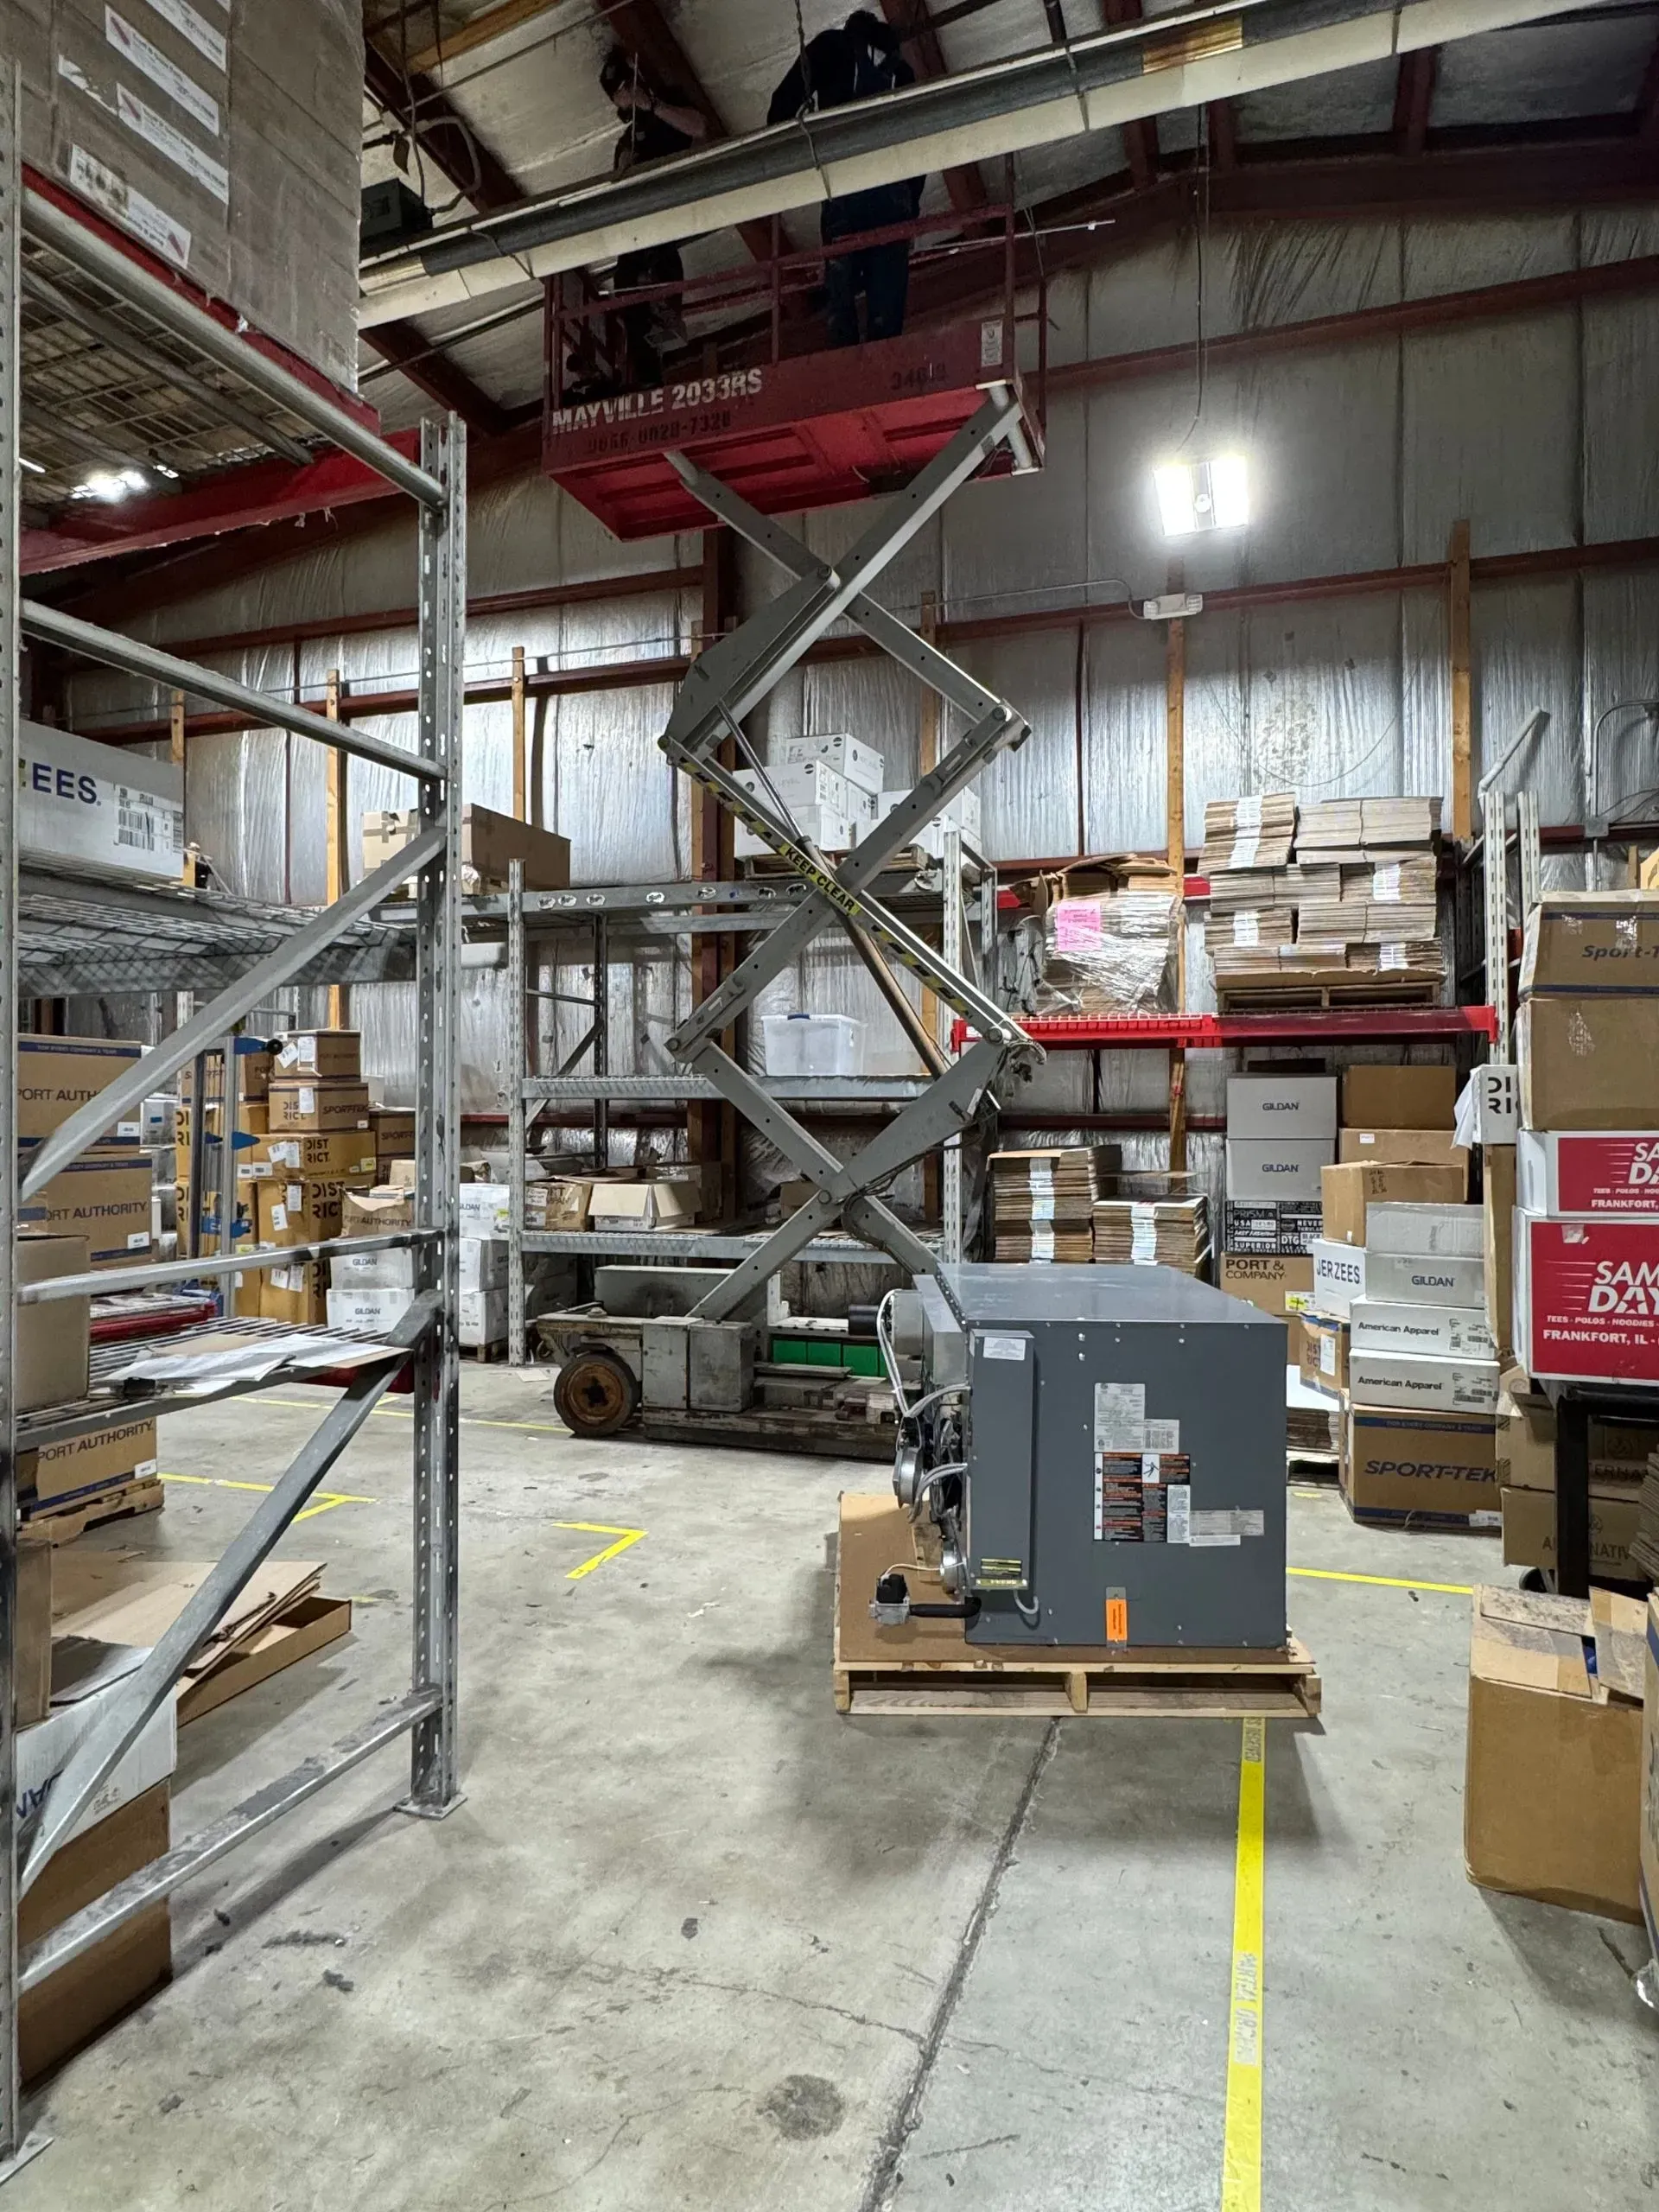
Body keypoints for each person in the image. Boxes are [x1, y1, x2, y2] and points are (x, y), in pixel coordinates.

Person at [768, 11, 925, 348]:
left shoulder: (830, 48)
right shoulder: (903, 71)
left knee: (843, 293)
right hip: (893, 195)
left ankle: (845, 358)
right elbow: (918, 150)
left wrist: (796, 157)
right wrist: (912, 211)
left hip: (843, 186)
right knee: (887, 298)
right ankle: (884, 360)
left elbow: (780, 106)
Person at [600, 46, 708, 385]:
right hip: (638, 230)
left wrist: (653, 105)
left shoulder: (668, 113)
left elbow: (698, 127)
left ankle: (664, 320)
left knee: (659, 262)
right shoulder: (627, 140)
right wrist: (623, 169)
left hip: (665, 222)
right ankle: (646, 373)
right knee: (627, 279)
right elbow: (616, 186)